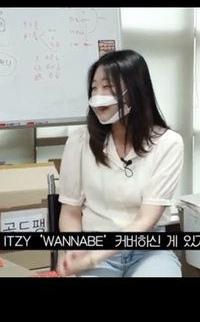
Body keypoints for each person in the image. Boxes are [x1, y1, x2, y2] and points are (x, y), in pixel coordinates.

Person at [57, 49, 184, 277]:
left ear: (135, 90)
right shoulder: (79, 141)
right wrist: (75, 250)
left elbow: (146, 220)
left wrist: (95, 257)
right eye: (94, 88)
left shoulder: (168, 143)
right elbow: (70, 211)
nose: (98, 96)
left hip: (148, 251)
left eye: (107, 87)